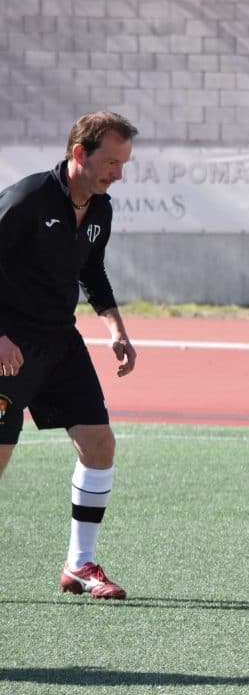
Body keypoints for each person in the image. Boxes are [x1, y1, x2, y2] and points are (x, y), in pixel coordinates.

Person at [0, 111, 139, 600]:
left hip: (60, 340)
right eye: (111, 162)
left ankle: (80, 565)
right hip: (8, 346)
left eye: (123, 164)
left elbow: (92, 270)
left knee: (99, 444)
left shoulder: (99, 208)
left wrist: (115, 327)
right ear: (79, 152)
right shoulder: (26, 199)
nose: (118, 174)